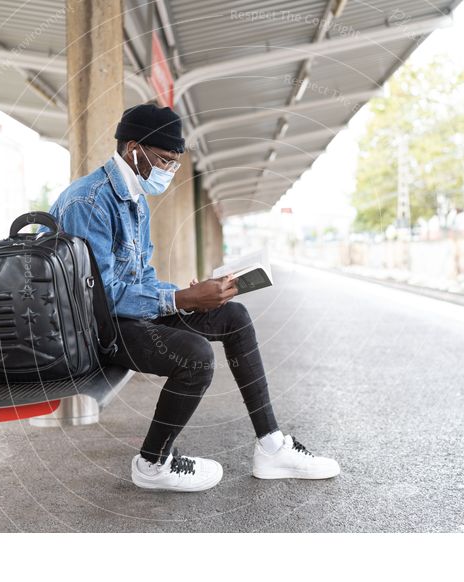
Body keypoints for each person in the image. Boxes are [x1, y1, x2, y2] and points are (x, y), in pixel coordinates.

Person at [45, 103, 340, 492]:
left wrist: (195, 294)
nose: (169, 170)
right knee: (194, 355)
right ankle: (152, 463)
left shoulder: (134, 199)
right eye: (165, 160)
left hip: (123, 317)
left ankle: (271, 446)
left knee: (233, 316)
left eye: (175, 162)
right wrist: (181, 300)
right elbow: (100, 299)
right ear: (133, 148)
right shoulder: (90, 202)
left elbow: (141, 276)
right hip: (93, 331)